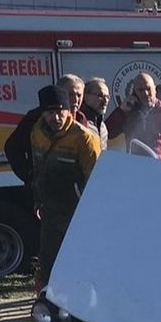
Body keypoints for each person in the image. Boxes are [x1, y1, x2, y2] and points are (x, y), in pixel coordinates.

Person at [30, 84, 101, 290]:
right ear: (43, 113)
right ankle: (47, 303)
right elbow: (37, 168)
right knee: (48, 261)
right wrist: (37, 199)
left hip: (77, 213)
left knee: (80, 261)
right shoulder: (37, 132)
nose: (56, 118)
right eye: (50, 113)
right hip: (50, 210)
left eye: (60, 111)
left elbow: (95, 180)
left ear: (69, 110)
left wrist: (92, 214)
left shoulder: (84, 138)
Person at [4, 79, 90, 186]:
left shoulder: (85, 123)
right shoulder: (35, 120)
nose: (75, 99)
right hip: (42, 194)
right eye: (70, 94)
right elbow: (12, 147)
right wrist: (30, 176)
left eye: (79, 95)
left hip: (75, 195)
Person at [106, 72, 161, 162]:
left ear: (155, 89)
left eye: (148, 89)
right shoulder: (128, 112)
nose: (145, 93)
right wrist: (121, 111)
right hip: (134, 166)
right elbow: (108, 133)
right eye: (140, 90)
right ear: (134, 92)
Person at [81, 78, 111, 149]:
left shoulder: (102, 127)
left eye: (107, 97)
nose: (105, 101)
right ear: (85, 96)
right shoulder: (79, 122)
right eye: (100, 95)